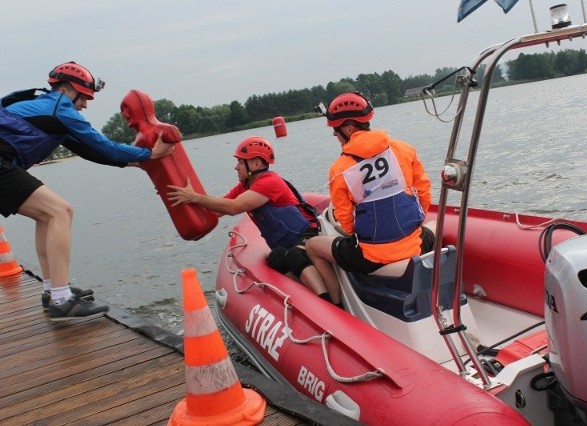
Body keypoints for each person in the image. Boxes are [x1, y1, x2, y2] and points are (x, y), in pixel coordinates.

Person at [0, 61, 175, 321]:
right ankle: (62, 300)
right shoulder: (60, 109)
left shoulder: (48, 111)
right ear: (70, 89)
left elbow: (91, 151)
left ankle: (52, 292)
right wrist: (149, 154)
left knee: (46, 215)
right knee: (61, 211)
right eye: (85, 98)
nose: (85, 105)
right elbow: (101, 144)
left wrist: (135, 160)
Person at [167, 136, 340, 305]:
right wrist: (184, 204)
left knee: (295, 256)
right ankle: (306, 301)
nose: (236, 167)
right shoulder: (245, 186)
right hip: (289, 241)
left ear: (256, 164)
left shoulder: (269, 182)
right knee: (276, 258)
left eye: (241, 162)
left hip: (307, 233)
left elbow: (233, 207)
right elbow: (218, 211)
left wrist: (196, 198)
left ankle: (327, 303)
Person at [305, 92, 435, 292]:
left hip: (370, 258)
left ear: (348, 128)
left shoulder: (339, 169)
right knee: (434, 224)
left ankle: (335, 304)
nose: (334, 134)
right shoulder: (404, 149)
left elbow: (347, 225)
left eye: (335, 129)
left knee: (312, 246)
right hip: (415, 245)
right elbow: (424, 195)